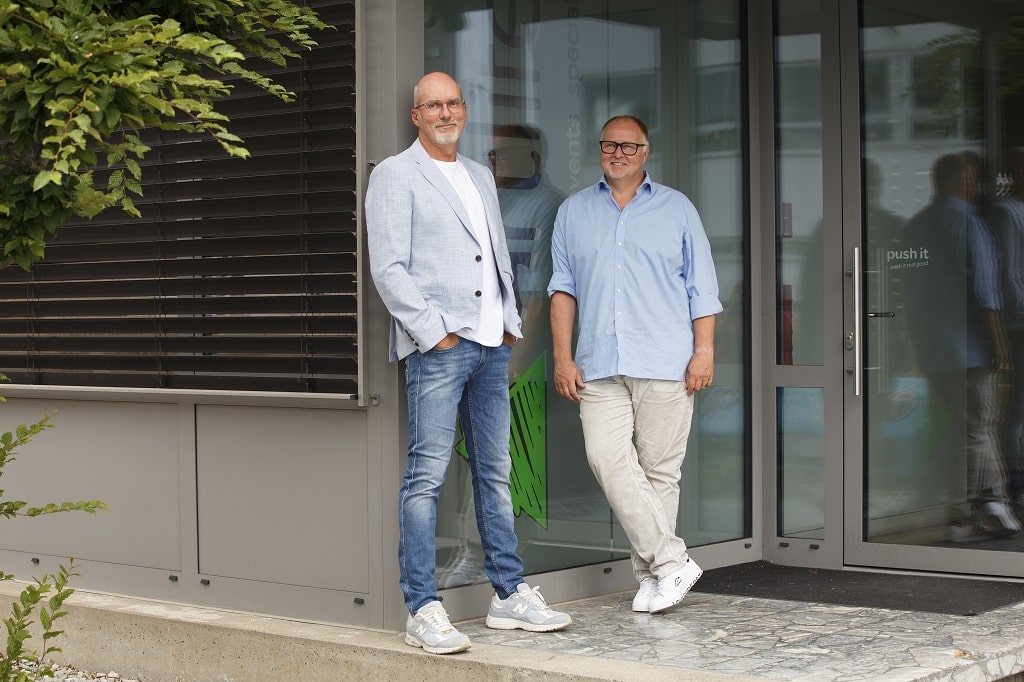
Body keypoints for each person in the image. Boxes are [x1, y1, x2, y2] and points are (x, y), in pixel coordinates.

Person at [365, 72, 572, 655]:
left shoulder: (480, 175)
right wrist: (434, 334)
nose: (445, 112)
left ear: (463, 109)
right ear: (416, 116)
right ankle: (422, 607)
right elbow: (388, 268)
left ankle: (507, 592)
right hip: (442, 349)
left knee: (495, 474)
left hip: (490, 347)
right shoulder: (395, 175)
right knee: (426, 477)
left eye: (453, 102)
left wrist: (508, 323)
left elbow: (497, 256)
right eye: (433, 105)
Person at [548, 114, 722, 614]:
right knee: (606, 458)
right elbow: (563, 289)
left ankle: (651, 577)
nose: (618, 154)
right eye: (610, 145)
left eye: (629, 146)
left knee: (659, 473)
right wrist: (562, 356)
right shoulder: (573, 211)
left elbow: (702, 288)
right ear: (599, 150)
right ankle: (672, 562)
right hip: (598, 362)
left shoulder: (677, 208)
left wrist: (704, 350)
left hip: (666, 360)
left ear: (646, 152)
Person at [901, 152, 1021, 541]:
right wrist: (1000, 345)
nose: (976, 187)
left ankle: (993, 502)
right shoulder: (970, 224)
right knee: (976, 429)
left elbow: (909, 289)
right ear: (961, 182)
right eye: (972, 180)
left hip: (934, 348)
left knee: (967, 427)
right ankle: (964, 513)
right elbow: (986, 293)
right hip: (969, 348)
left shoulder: (917, 225)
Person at [988, 147, 1024, 510]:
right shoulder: (1005, 211)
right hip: (1020, 324)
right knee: (1018, 408)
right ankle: (1014, 484)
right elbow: (1009, 276)